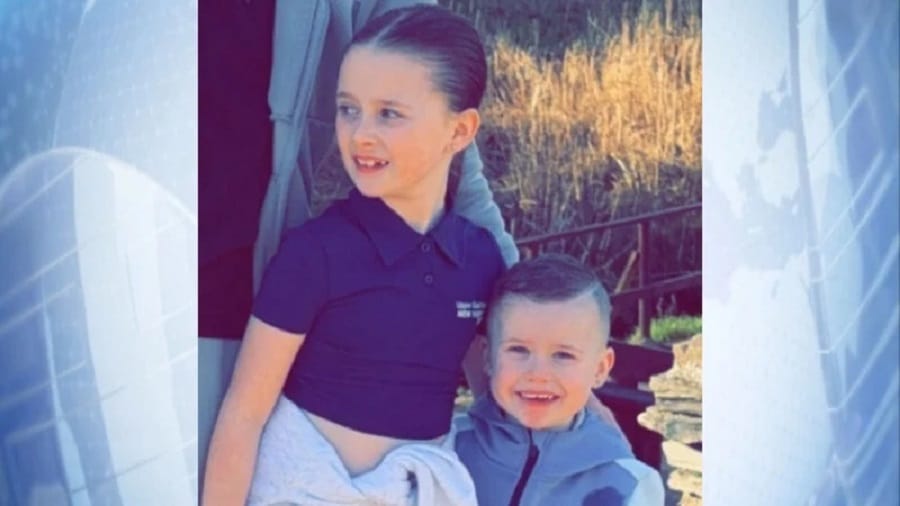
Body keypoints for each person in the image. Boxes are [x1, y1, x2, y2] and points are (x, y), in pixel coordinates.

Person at [203, 6, 507, 505]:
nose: (360, 133)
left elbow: (496, 401)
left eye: (389, 113)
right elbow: (244, 414)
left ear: (459, 131)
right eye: (348, 109)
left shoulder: (480, 260)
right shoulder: (314, 253)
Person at [454, 254, 665, 506]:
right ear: (488, 356)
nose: (538, 373)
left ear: (600, 369)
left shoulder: (630, 484)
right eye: (518, 350)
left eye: (563, 355)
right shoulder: (447, 451)